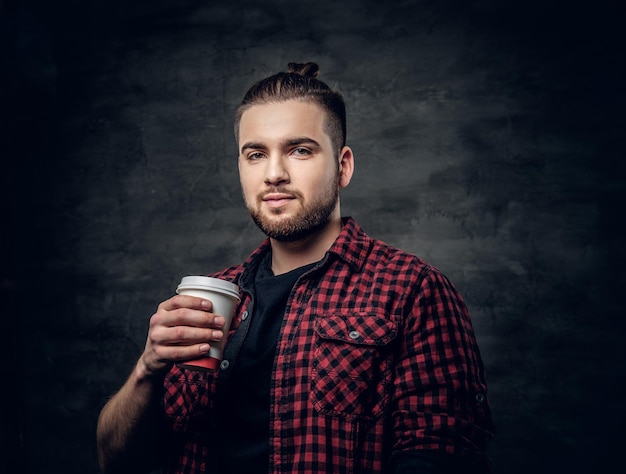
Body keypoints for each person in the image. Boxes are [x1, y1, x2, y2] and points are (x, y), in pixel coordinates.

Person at [96, 62, 494, 474]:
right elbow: (117, 463)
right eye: (256, 154)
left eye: (299, 150)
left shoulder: (412, 290)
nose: (274, 174)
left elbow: (441, 456)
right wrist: (148, 368)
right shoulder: (210, 296)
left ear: (343, 167)